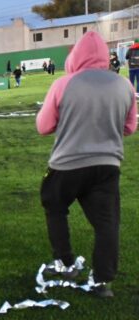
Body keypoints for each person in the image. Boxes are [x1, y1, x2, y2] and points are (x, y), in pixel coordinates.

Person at [36, 31, 136, 298]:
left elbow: (43, 126)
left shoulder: (63, 84)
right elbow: (129, 128)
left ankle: (65, 262)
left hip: (67, 163)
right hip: (107, 166)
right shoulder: (124, 84)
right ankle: (103, 281)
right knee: (107, 223)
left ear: (75, 55)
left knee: (54, 204)